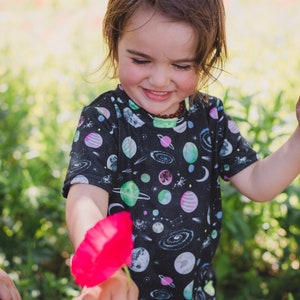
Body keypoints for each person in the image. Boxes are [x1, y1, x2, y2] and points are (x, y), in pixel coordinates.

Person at [62, 0, 300, 299]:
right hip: (118, 292)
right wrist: (105, 272)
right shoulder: (106, 119)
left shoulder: (209, 117)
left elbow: (257, 182)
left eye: (181, 65)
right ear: (115, 42)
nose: (160, 79)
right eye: (141, 60)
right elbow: (85, 198)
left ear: (205, 59)